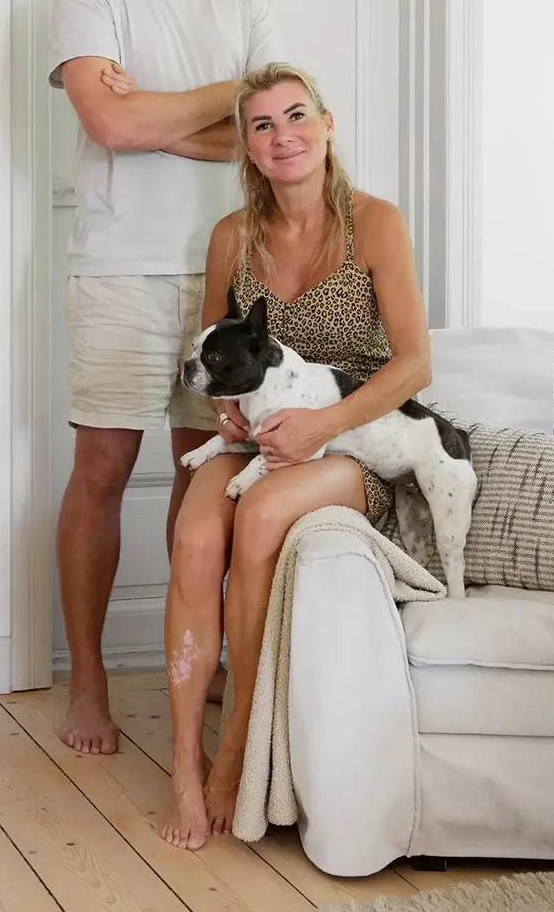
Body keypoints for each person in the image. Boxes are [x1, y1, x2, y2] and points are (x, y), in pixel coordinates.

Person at [48, 0, 284, 755]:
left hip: (226, 271)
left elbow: (271, 132)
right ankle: (90, 682)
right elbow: (107, 125)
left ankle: (199, 662)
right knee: (103, 470)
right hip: (118, 268)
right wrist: (222, 98)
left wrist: (157, 113)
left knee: (208, 478)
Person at [161, 60, 433, 849]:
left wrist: (323, 424)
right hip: (258, 434)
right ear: (248, 147)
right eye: (263, 124)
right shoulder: (231, 237)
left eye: (297, 116)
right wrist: (225, 411)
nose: (283, 135)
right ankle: (184, 758)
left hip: (351, 435)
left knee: (258, 519)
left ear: (327, 126)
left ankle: (236, 753)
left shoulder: (376, 223)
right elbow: (208, 353)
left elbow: (415, 365)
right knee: (195, 534)